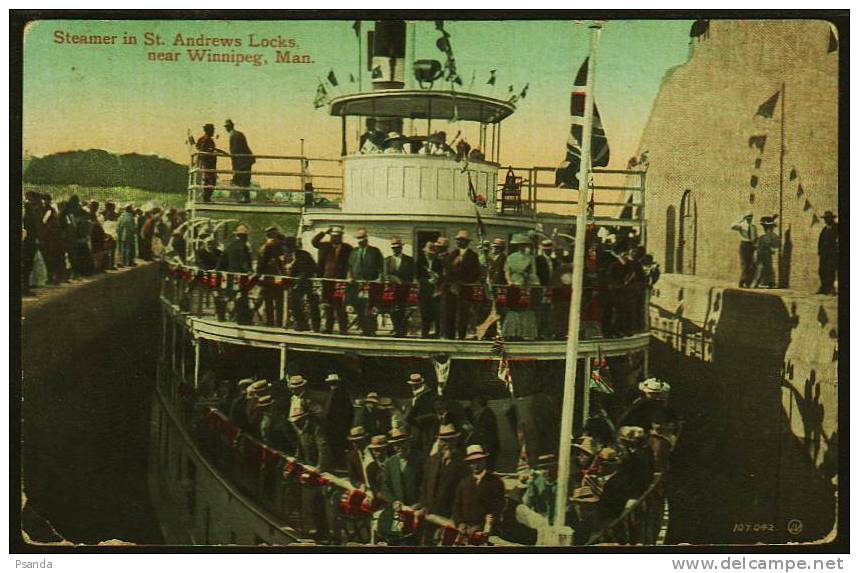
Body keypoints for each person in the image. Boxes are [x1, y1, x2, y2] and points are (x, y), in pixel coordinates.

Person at [377, 428, 425, 544]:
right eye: (395, 445)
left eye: (402, 443)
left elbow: (427, 485)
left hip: (416, 510)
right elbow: (385, 487)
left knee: (413, 541)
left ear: (409, 442)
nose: (399, 447)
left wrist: (420, 503)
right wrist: (394, 501)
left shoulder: (420, 459)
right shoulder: (390, 462)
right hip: (398, 510)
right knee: (397, 538)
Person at [451, 444, 506, 539]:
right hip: (464, 531)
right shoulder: (464, 483)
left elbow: (497, 508)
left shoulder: (495, 482)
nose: (475, 465)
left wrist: (480, 526)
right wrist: (460, 523)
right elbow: (457, 505)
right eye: (472, 462)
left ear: (484, 461)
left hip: (486, 531)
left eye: (479, 461)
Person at [419, 424, 470, 521]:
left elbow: (464, 494)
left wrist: (457, 516)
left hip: (449, 516)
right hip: (429, 514)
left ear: (456, 441)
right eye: (443, 440)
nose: (447, 444)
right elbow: (424, 486)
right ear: (439, 442)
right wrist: (424, 505)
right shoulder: (432, 460)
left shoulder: (463, 463)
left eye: (450, 440)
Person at [312, 226, 353, 334]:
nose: (336, 238)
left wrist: (349, 276)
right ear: (331, 236)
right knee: (328, 305)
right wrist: (324, 232)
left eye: (338, 236)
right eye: (334, 236)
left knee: (339, 305)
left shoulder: (347, 248)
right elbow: (314, 241)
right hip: (327, 280)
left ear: (341, 237)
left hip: (340, 281)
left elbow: (350, 264)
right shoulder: (325, 246)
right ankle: (328, 328)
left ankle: (343, 329)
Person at [442, 230, 481, 339]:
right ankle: (449, 336)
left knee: (463, 314)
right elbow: (447, 270)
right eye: (458, 240)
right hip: (451, 288)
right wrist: (453, 282)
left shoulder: (473, 256)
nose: (459, 242)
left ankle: (461, 336)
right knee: (450, 312)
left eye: (462, 240)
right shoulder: (452, 255)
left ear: (467, 242)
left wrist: (462, 282)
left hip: (465, 289)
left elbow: (475, 273)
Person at [347, 228, 384, 336]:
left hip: (371, 284)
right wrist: (349, 276)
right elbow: (349, 267)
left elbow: (381, 267)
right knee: (360, 307)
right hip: (357, 285)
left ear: (367, 238)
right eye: (358, 238)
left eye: (362, 238)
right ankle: (364, 330)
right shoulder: (353, 252)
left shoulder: (374, 251)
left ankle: (371, 331)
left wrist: (380, 277)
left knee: (371, 308)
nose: (360, 240)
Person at [502, 233, 538, 341]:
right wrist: (509, 281)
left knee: (525, 309)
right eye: (520, 245)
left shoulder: (530, 258)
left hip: (526, 285)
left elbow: (533, 272)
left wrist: (530, 279)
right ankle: (511, 332)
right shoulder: (511, 257)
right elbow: (507, 271)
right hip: (514, 285)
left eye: (524, 245)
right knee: (513, 309)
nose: (522, 247)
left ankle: (524, 332)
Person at [217, 224, 254, 323]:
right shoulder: (243, 246)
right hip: (240, 276)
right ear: (244, 236)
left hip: (230, 275)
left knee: (229, 295)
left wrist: (219, 270)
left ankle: (221, 315)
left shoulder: (230, 245)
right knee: (242, 296)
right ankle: (241, 319)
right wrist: (249, 271)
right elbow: (243, 261)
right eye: (245, 236)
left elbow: (222, 260)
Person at [283, 235, 320, 331]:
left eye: (286, 246)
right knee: (294, 304)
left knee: (311, 304)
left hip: (305, 283)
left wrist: (300, 279)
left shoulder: (302, 254)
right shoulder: (288, 256)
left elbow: (311, 268)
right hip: (295, 284)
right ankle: (301, 324)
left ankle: (315, 326)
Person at [384, 237, 416, 337]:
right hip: (392, 289)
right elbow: (385, 274)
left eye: (397, 247)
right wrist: (393, 279)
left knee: (402, 310)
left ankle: (402, 331)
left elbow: (412, 275)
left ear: (401, 248)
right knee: (392, 310)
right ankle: (396, 329)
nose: (395, 249)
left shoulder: (409, 260)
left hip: (404, 289)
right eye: (393, 247)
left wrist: (405, 283)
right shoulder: (387, 260)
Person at [257, 225, 285, 327]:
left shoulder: (266, 246)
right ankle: (277, 322)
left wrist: (259, 275)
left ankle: (271, 322)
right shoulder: (280, 245)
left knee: (271, 301)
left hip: (271, 277)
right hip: (276, 276)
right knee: (276, 301)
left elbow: (261, 263)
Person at [404, 373, 436, 457]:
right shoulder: (413, 399)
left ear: (420, 385)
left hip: (425, 432)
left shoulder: (427, 397)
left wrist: (418, 420)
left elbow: (432, 415)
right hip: (415, 432)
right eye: (412, 385)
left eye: (415, 385)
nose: (413, 387)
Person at [523, 454, 559, 525]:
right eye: (544, 468)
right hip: (542, 522)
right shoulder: (537, 482)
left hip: (558, 521)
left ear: (557, 468)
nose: (547, 471)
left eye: (551, 467)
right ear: (539, 470)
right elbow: (527, 504)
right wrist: (531, 485)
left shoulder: (563, 483)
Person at [224, 119, 255, 202]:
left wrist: (235, 165)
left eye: (226, 126)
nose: (226, 128)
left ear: (229, 127)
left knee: (241, 179)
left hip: (242, 161)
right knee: (244, 180)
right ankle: (245, 197)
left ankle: (245, 198)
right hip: (245, 160)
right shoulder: (238, 134)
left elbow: (235, 150)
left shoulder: (233, 135)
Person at [465, 396, 500, 471]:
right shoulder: (475, 413)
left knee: (489, 466)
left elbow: (487, 430)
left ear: (480, 403)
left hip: (488, 446)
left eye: (474, 402)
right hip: (481, 445)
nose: (471, 404)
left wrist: (473, 429)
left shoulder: (488, 413)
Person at [417, 240, 443, 338]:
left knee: (437, 315)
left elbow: (442, 276)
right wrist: (428, 281)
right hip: (424, 292)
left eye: (431, 253)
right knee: (424, 314)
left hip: (436, 293)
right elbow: (417, 277)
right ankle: (424, 335)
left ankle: (437, 334)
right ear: (424, 252)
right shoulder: (420, 262)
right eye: (428, 253)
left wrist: (437, 278)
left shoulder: (439, 262)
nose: (429, 255)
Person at [38, 194, 66, 284]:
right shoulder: (50, 210)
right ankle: (54, 276)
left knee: (51, 257)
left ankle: (53, 277)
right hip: (51, 237)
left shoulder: (49, 210)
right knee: (52, 257)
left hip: (50, 237)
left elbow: (44, 223)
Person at [193, 123, 219, 203]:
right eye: (212, 130)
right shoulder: (208, 140)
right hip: (208, 163)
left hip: (205, 163)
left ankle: (206, 197)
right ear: (209, 130)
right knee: (211, 180)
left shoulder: (201, 139)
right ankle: (206, 198)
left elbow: (198, 147)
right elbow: (206, 150)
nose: (214, 131)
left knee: (208, 180)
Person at [731, 213, 758, 288]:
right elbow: (732, 226)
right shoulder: (741, 226)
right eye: (748, 217)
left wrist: (756, 245)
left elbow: (755, 237)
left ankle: (747, 282)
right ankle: (742, 281)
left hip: (751, 245)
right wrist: (741, 219)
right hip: (744, 245)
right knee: (745, 264)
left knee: (751, 264)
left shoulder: (753, 227)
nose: (750, 219)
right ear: (745, 218)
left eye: (751, 217)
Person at [753, 215, 779, 288]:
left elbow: (757, 244)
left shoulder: (768, 235)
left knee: (764, 267)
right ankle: (763, 282)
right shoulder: (769, 235)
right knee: (764, 267)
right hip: (763, 252)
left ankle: (763, 282)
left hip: (763, 252)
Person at [817, 211, 838, 294]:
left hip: (832, 255)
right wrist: (820, 251)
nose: (825, 220)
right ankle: (823, 288)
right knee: (822, 271)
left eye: (827, 218)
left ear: (831, 219)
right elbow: (820, 241)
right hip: (823, 255)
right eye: (825, 219)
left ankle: (830, 289)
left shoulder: (836, 228)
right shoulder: (825, 229)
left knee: (830, 271)